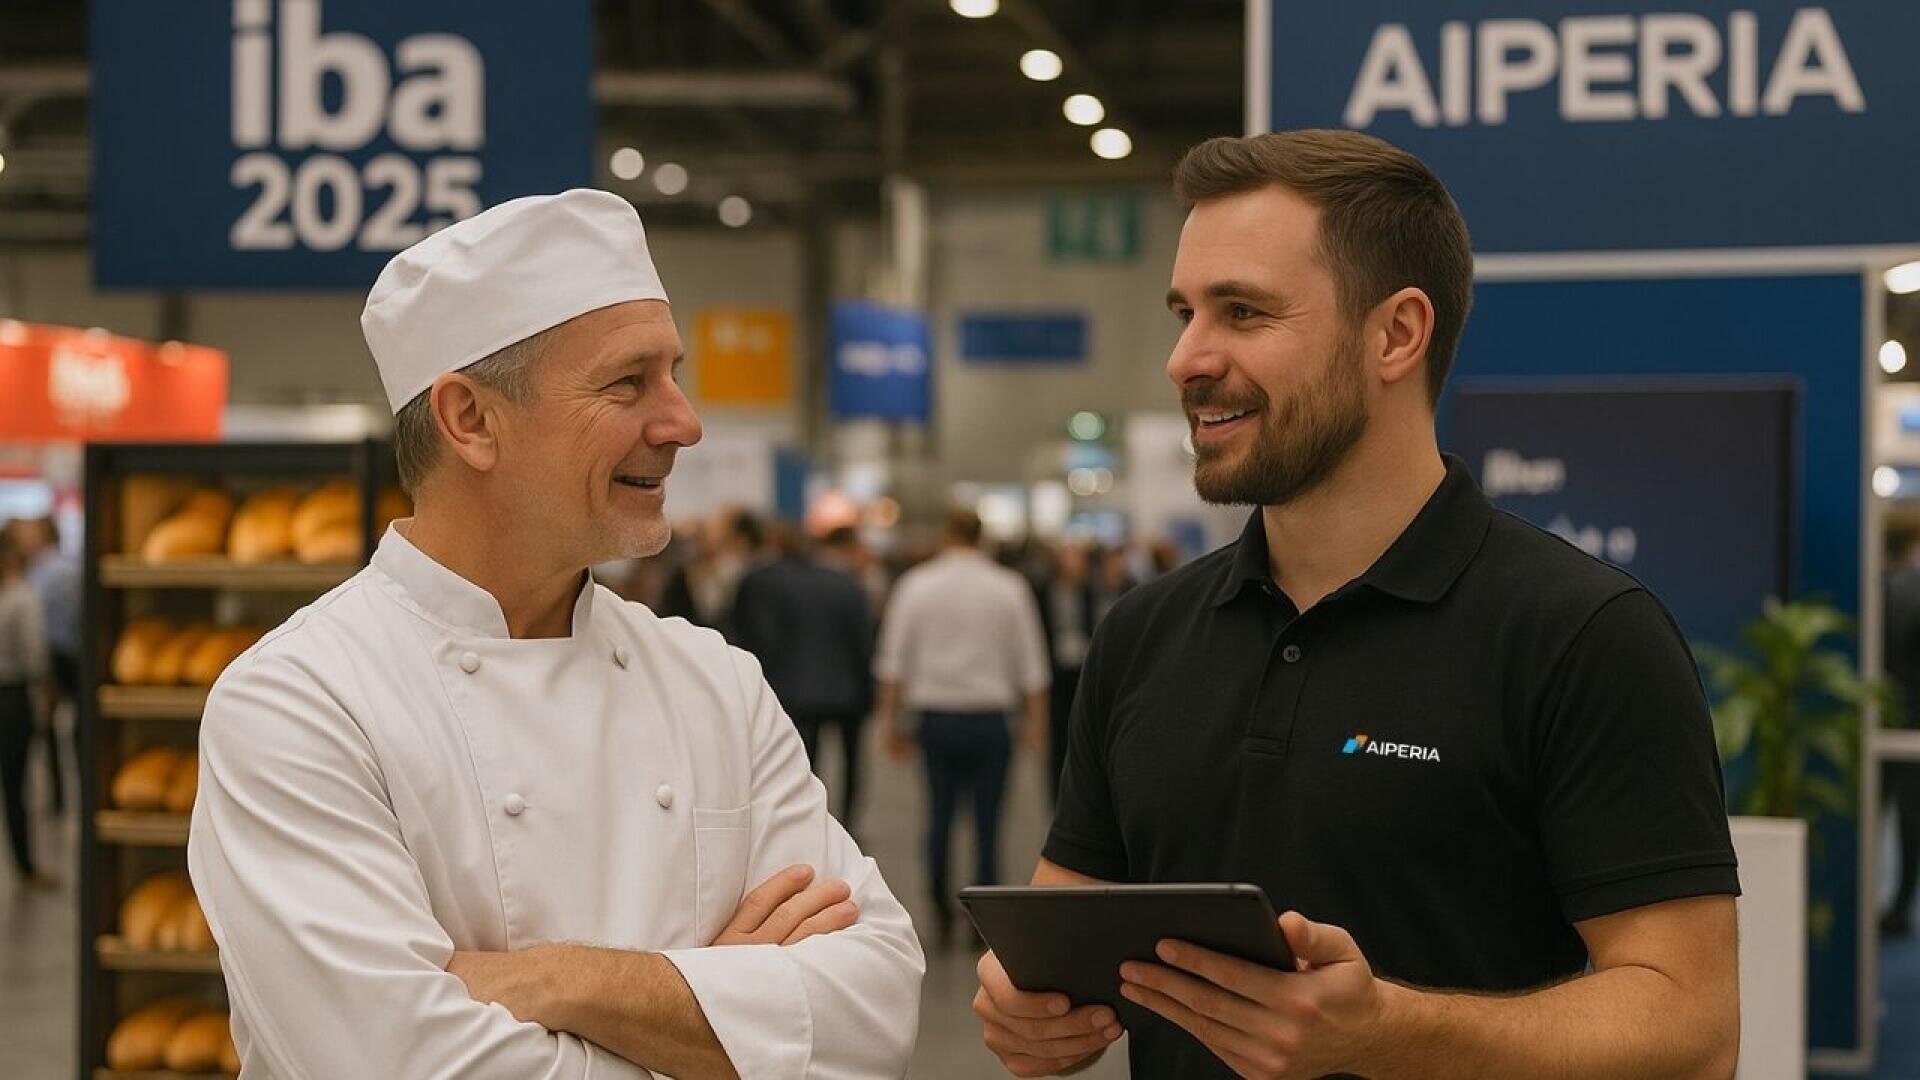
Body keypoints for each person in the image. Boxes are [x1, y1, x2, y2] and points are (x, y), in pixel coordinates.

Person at [974, 130, 1740, 1078]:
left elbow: (1692, 1024)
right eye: (1185, 313)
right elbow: (1062, 924)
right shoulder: (1144, 634)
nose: (1185, 359)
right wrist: (1028, 1008)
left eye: (1243, 312)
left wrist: (1387, 1033)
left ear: (1396, 334)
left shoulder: (1581, 634)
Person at [187, 190, 922, 1078]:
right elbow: (403, 1064)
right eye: (627, 382)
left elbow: (876, 1007)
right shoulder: (301, 703)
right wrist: (726, 1013)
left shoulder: (711, 679)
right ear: (469, 420)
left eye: (673, 374)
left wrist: (561, 979)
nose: (682, 423)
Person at [875, 507, 1050, 948]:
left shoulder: (916, 585)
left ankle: (938, 906)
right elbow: (1033, 668)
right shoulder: (1009, 587)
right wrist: (1036, 725)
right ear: (982, 536)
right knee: (989, 820)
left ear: (947, 534)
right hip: (991, 720)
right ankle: (982, 913)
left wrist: (889, 723)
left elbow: (892, 663)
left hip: (936, 717)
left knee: (938, 814)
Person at [731, 525, 876, 833]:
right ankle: (849, 820)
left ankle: (809, 821)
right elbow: (863, 638)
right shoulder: (847, 583)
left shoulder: (770, 581)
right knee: (851, 760)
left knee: (806, 759)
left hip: (798, 687)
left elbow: (762, 636)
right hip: (846, 688)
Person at [0, 523, 57, 889]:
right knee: (15, 785)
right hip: (12, 697)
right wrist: (47, 694)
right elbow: (35, 655)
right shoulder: (22, 596)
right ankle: (26, 866)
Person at [12, 516, 80, 813]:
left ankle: (60, 798)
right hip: (71, 653)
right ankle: (68, 793)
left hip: (54, 657)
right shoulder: (68, 569)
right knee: (67, 729)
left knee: (49, 727)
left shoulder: (40, 575)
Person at [1882, 528, 1920, 937]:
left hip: (1899, 728)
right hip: (1902, 725)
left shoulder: (1891, 591)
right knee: (1909, 823)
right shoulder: (1904, 589)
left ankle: (1898, 907)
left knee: (1906, 821)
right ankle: (1899, 907)